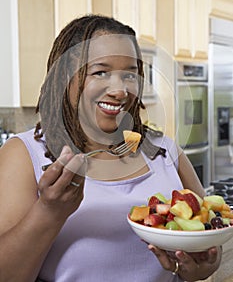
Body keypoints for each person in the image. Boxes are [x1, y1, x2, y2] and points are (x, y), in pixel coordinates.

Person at [0, 14, 222, 282]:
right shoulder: (24, 154)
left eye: (130, 74)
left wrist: (198, 268)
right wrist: (49, 211)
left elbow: (210, 240)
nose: (120, 90)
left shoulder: (164, 151)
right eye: (100, 72)